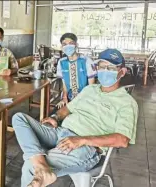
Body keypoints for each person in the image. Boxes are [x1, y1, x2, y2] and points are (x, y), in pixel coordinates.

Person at [12, 48, 138, 187]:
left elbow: (122, 140)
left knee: (30, 166)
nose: (105, 70)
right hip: (60, 133)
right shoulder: (90, 90)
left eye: (111, 68)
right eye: (102, 66)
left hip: (86, 147)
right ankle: (41, 164)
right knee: (19, 118)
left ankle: (38, 164)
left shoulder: (127, 102)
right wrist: (55, 117)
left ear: (122, 71)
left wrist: (82, 140)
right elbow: (68, 108)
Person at [56, 33, 96, 108]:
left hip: (85, 100)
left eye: (71, 43)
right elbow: (64, 84)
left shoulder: (86, 61)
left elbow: (91, 87)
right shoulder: (61, 62)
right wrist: (64, 98)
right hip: (69, 99)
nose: (68, 46)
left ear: (76, 45)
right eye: (64, 44)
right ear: (62, 47)